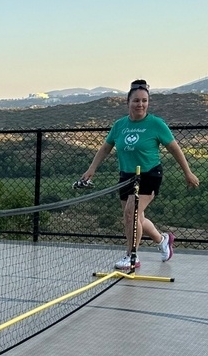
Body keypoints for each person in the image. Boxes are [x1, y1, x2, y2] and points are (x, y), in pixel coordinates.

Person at [80, 79, 199, 270]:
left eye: (144, 100)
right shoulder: (119, 125)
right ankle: (163, 240)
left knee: (131, 213)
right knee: (137, 217)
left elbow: (174, 148)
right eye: (136, 100)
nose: (140, 104)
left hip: (149, 175)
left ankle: (131, 256)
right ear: (128, 102)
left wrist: (188, 172)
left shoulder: (156, 124)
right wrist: (91, 169)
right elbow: (105, 148)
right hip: (126, 176)